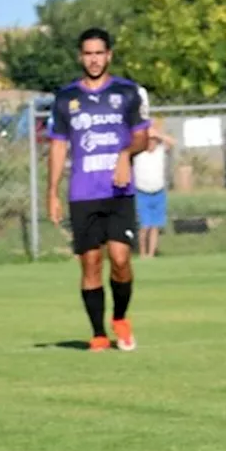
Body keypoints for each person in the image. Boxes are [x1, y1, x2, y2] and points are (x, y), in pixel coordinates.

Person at [46, 28, 150, 353]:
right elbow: (59, 147)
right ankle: (98, 334)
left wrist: (124, 155)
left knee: (120, 260)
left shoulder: (128, 92)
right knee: (90, 263)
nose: (93, 59)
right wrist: (52, 191)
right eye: (88, 53)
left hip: (119, 192)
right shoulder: (65, 99)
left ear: (109, 55)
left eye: (99, 53)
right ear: (81, 56)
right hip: (83, 194)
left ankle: (120, 317)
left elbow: (142, 138)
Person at [134, 116, 175, 257]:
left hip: (158, 192)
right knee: (144, 225)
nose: (151, 143)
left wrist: (157, 133)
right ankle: (143, 252)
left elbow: (172, 142)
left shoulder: (160, 150)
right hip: (142, 192)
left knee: (155, 226)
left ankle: (151, 254)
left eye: (153, 141)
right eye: (149, 140)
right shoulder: (139, 153)